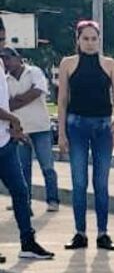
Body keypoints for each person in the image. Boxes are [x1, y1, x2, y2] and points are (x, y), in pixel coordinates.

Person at [57, 19, 114, 251]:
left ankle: (103, 233)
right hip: (76, 125)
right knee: (79, 181)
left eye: (94, 39)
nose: (90, 43)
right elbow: (62, 99)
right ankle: (80, 232)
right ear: (78, 39)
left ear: (99, 40)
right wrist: (61, 132)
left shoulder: (110, 64)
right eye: (85, 38)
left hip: (103, 126)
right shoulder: (68, 63)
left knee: (101, 182)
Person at [0, 60, 53, 261]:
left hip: (5, 141)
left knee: (20, 191)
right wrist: (14, 119)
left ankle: (28, 242)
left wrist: (11, 126)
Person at [2, 47, 59, 212]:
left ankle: (53, 200)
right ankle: (24, 203)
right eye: (3, 59)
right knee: (23, 169)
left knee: (47, 166)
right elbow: (6, 105)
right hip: (20, 130)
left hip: (41, 127)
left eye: (8, 58)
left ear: (18, 58)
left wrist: (18, 99)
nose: (6, 62)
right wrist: (23, 97)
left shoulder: (34, 72)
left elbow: (37, 92)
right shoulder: (5, 80)